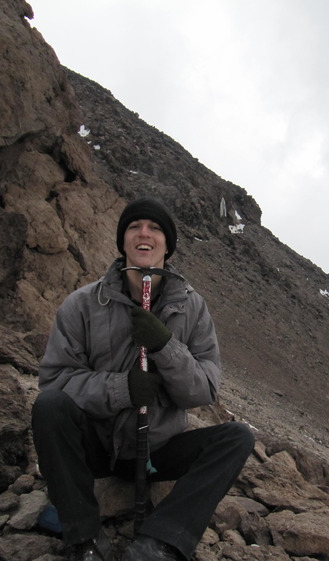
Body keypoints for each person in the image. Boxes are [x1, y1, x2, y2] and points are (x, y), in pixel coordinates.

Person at [31, 196, 255, 561]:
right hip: (98, 444)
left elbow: (205, 388)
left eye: (154, 228)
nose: (143, 234)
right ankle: (83, 540)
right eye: (134, 227)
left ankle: (160, 542)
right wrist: (123, 390)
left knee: (237, 437)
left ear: (168, 244)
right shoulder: (84, 304)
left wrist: (166, 346)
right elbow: (55, 380)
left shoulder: (192, 308)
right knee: (50, 407)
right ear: (122, 241)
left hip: (156, 450)